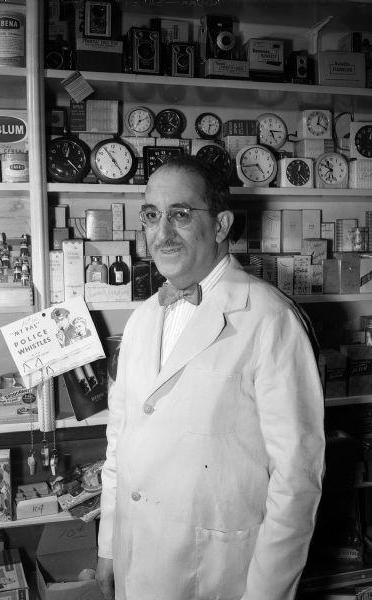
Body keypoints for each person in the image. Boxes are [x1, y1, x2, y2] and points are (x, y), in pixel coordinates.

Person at [96, 156, 325, 600]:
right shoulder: (143, 318)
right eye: (151, 215)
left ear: (221, 225)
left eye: (180, 214)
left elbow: (297, 478)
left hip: (217, 575)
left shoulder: (270, 318)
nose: (161, 233)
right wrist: (109, 545)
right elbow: (119, 438)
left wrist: (267, 594)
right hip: (135, 557)